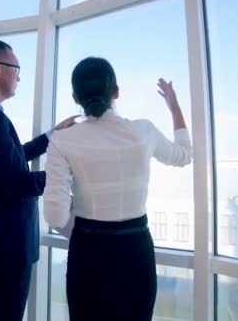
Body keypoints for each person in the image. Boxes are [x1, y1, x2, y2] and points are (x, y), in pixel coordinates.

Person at [43, 57, 193, 320]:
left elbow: (55, 217)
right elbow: (184, 155)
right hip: (136, 250)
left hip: (87, 252)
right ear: (116, 92)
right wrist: (174, 107)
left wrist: (87, 234)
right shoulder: (143, 131)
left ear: (75, 97)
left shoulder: (62, 140)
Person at [0, 37, 77, 321]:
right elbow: (18, 181)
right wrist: (66, 174)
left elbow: (9, 158)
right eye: (16, 69)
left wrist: (51, 136)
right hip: (5, 248)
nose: (19, 78)